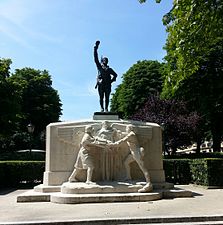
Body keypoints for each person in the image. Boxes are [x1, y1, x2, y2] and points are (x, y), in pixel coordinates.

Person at [109, 125, 153, 192]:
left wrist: (113, 144)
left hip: (136, 153)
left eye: (126, 128)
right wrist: (116, 131)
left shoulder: (131, 135)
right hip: (133, 153)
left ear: (130, 129)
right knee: (126, 163)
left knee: (143, 167)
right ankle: (128, 177)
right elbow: (122, 134)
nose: (126, 129)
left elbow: (122, 140)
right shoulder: (130, 134)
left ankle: (149, 183)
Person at [94, 40, 118, 112]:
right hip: (101, 84)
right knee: (101, 97)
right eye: (104, 60)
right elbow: (95, 59)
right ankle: (102, 108)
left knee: (107, 97)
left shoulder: (109, 69)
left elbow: (115, 75)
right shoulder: (100, 67)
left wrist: (111, 81)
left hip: (107, 84)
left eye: (106, 60)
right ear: (102, 61)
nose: (105, 61)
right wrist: (95, 48)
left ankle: (106, 108)